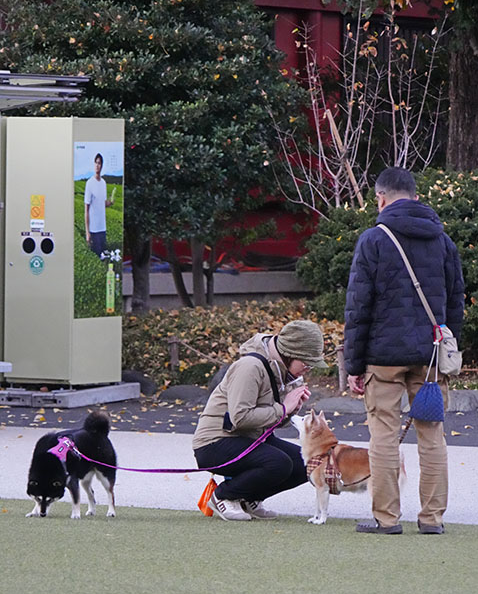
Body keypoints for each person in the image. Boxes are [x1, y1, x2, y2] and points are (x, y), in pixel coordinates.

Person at [344, 167, 464, 535]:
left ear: (380, 199)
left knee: (383, 435)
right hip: (430, 356)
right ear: (416, 197)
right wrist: (447, 348)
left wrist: (353, 365)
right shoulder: (443, 241)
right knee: (432, 435)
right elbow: (455, 301)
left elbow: (358, 307)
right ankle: (432, 519)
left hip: (383, 357)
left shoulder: (373, 240)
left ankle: (386, 518)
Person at [193, 320, 326, 521]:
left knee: (308, 463)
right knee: (278, 463)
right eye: (306, 363)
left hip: (249, 438)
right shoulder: (250, 366)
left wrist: (292, 409)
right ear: (290, 353)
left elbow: (270, 421)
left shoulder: (280, 370)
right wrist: (283, 408)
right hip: (215, 442)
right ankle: (223, 496)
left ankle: (248, 499)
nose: (308, 369)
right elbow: (240, 418)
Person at [84, 153, 112, 257]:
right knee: (97, 256)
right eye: (96, 163)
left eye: (99, 163)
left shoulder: (103, 183)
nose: (97, 165)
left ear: (102, 165)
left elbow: (102, 203)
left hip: (102, 228)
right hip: (94, 229)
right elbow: (86, 209)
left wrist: (109, 203)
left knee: (105, 256)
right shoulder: (89, 183)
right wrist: (87, 232)